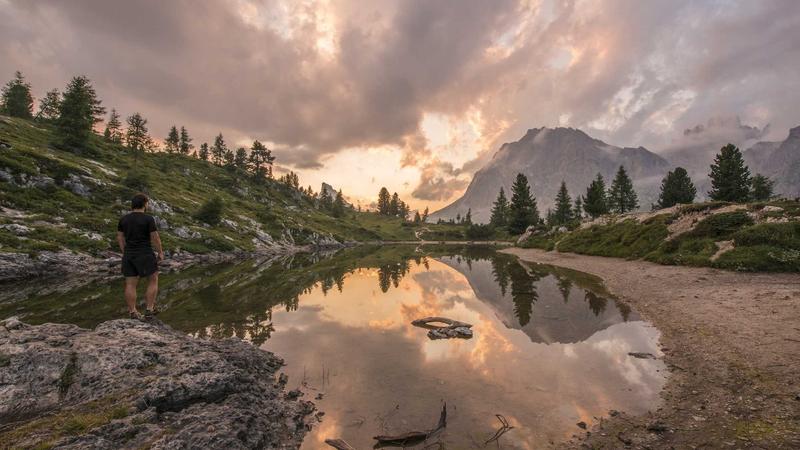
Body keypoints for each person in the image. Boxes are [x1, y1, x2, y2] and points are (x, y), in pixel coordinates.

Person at [116, 193, 164, 320]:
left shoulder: (124, 219)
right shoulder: (148, 219)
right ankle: (149, 309)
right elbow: (155, 237)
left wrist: (124, 251)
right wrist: (160, 252)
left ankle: (132, 312)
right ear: (144, 204)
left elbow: (120, 237)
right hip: (145, 253)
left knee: (130, 283)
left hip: (129, 254)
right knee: (153, 279)